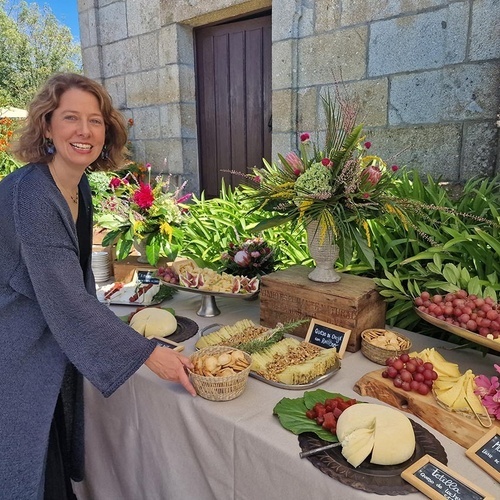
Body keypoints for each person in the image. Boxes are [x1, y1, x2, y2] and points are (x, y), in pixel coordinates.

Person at [0, 73, 196, 500]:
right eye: (71, 117)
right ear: (47, 125)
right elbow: (66, 298)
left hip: (45, 340)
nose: (85, 131)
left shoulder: (76, 183)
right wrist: (146, 353)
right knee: (26, 465)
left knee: (45, 460)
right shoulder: (32, 194)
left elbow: (75, 281)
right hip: (14, 350)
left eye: (96, 120)